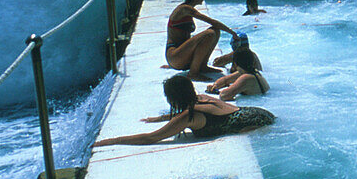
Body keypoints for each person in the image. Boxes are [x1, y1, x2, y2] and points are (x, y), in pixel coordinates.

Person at [93, 75, 275, 147]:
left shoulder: (189, 116)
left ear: (173, 98)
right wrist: (161, 118)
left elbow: (151, 138)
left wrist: (113, 140)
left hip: (254, 124)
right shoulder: (203, 98)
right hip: (258, 113)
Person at [165, 0, 237, 80]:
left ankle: (202, 66)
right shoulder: (184, 9)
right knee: (210, 33)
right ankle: (193, 73)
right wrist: (232, 33)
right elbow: (211, 21)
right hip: (174, 56)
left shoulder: (188, 9)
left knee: (215, 31)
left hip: (182, 55)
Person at [205, 49, 270, 100]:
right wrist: (215, 86)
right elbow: (225, 79)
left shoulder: (246, 78)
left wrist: (229, 88)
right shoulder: (253, 72)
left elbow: (224, 96)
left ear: (235, 64)